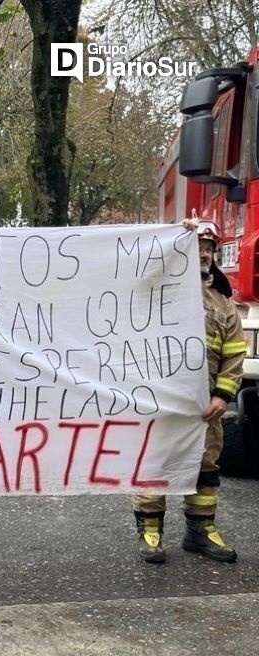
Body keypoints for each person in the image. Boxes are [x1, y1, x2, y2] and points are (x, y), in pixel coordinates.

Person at [132, 218, 243, 564]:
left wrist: (221, 397)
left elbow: (234, 353)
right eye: (197, 247)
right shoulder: (157, 288)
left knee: (205, 467)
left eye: (209, 248)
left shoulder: (223, 303)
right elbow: (135, 275)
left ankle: (200, 532)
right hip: (161, 402)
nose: (204, 254)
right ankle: (151, 532)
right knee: (155, 463)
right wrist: (171, 233)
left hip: (204, 408)